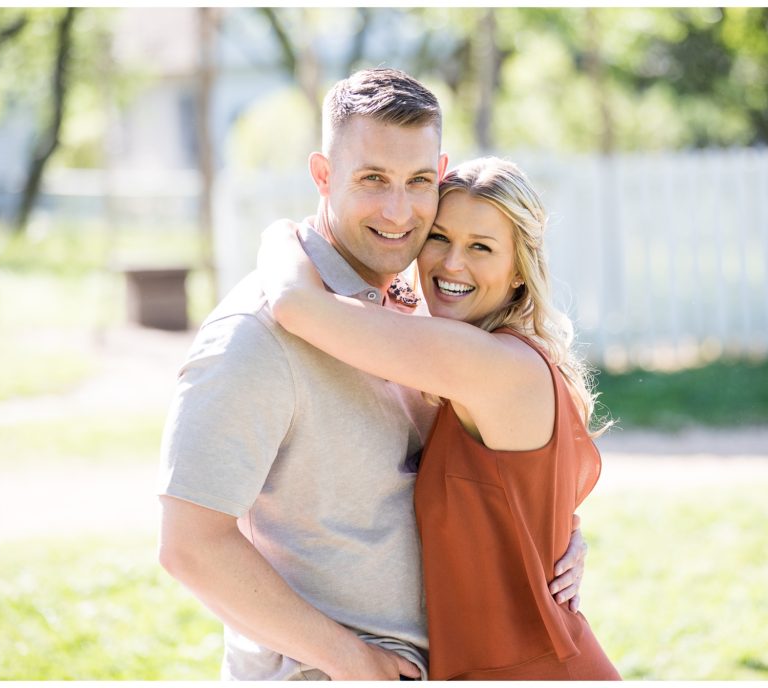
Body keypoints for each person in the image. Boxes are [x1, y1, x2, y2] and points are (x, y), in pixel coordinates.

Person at [157, 68, 587, 681]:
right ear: (323, 176)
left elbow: (492, 480)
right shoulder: (256, 337)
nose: (398, 210)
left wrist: (553, 534)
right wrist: (352, 661)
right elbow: (189, 546)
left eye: (417, 182)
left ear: (439, 174)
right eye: (372, 180)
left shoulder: (426, 318)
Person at [258, 156, 621, 680]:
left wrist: (279, 234)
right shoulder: (498, 360)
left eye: (481, 247)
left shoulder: (490, 364)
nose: (452, 264)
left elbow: (295, 303)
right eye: (439, 237)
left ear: (520, 269)